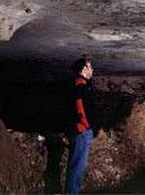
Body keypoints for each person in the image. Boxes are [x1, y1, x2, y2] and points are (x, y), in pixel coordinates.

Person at [64, 55, 95, 194]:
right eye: (90, 67)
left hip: (79, 130)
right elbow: (81, 109)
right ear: (84, 69)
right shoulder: (80, 87)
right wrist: (87, 126)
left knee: (77, 166)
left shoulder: (80, 85)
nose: (92, 69)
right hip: (81, 132)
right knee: (77, 167)